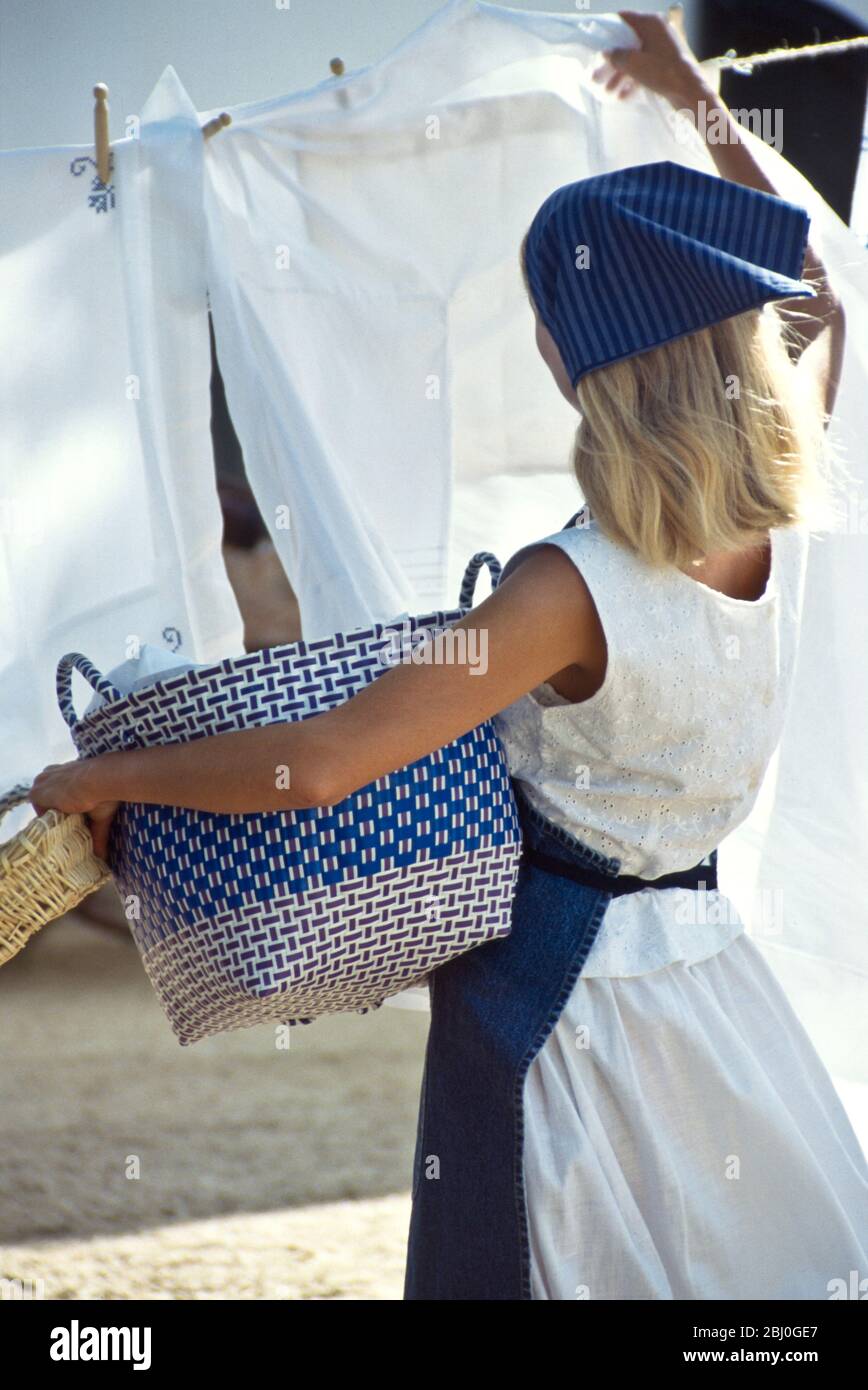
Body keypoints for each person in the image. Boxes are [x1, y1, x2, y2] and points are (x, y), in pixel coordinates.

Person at [31, 12, 867, 1298]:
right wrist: (690, 94)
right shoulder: (771, 518)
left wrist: (108, 783)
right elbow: (812, 283)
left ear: (578, 366)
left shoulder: (564, 591)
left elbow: (315, 765)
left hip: (556, 1004)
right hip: (712, 983)